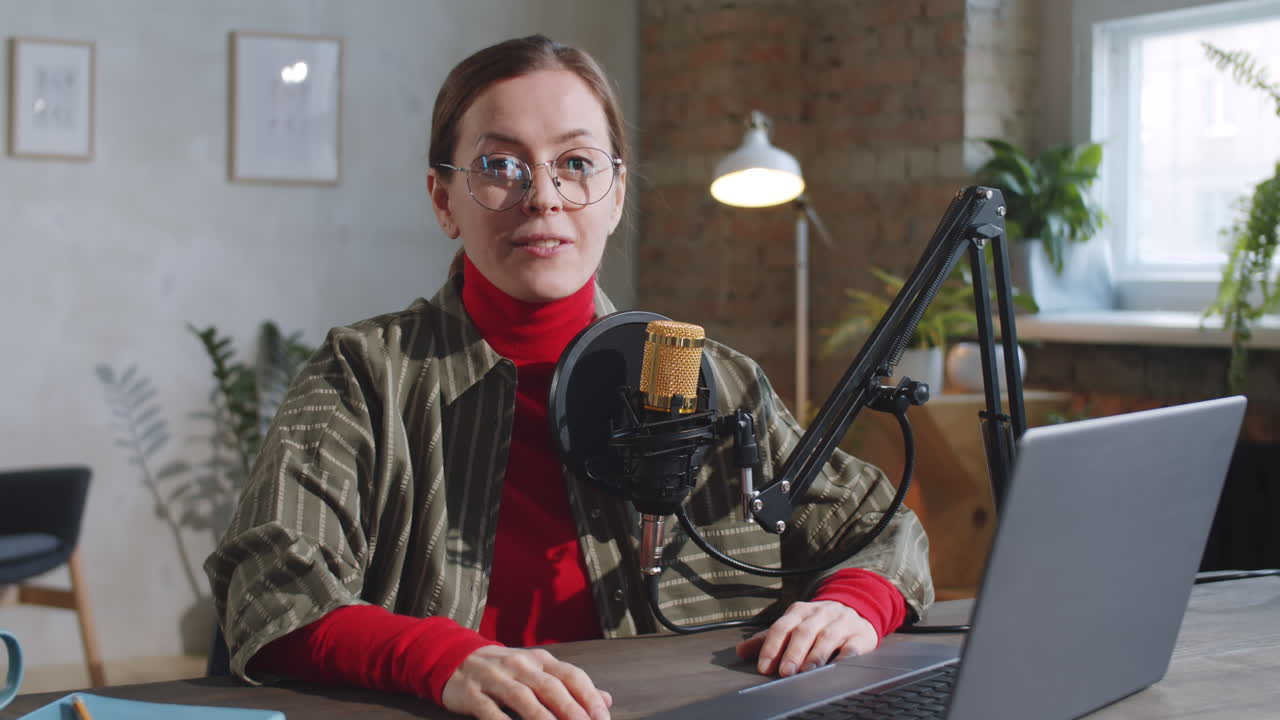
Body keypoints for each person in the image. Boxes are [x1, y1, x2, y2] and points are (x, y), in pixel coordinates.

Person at [205, 34, 933, 720]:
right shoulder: (363, 378)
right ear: (441, 199)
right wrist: (441, 659)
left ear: (616, 193)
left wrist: (858, 601)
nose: (544, 198)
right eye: (500, 166)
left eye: (577, 164)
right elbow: (269, 587)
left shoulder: (706, 376)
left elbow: (880, 528)